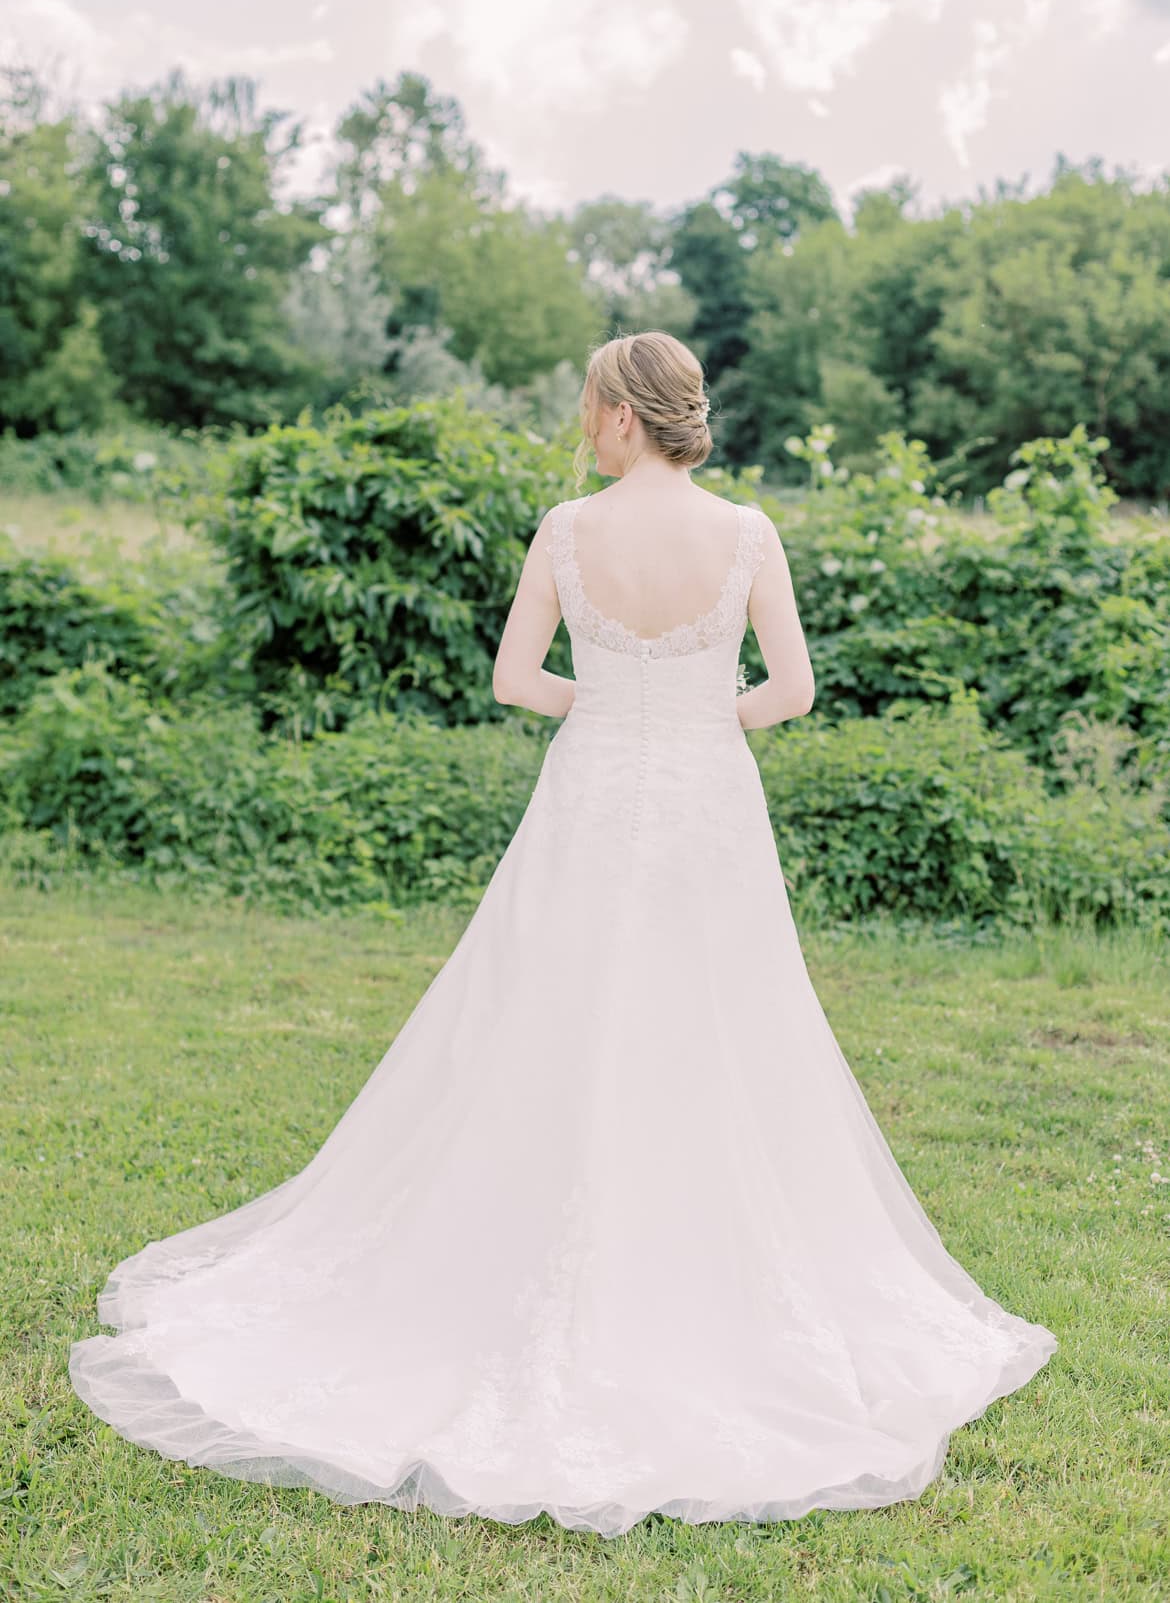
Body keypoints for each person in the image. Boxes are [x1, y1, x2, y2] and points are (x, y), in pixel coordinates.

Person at [69, 330, 1057, 1539]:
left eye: (591, 407)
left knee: (558, 1013)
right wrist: (698, 716)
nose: (583, 425)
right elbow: (791, 692)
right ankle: (712, 1268)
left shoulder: (565, 529)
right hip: (705, 806)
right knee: (720, 1022)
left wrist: (616, 706)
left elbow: (513, 679)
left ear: (627, 418)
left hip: (593, 796)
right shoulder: (748, 532)